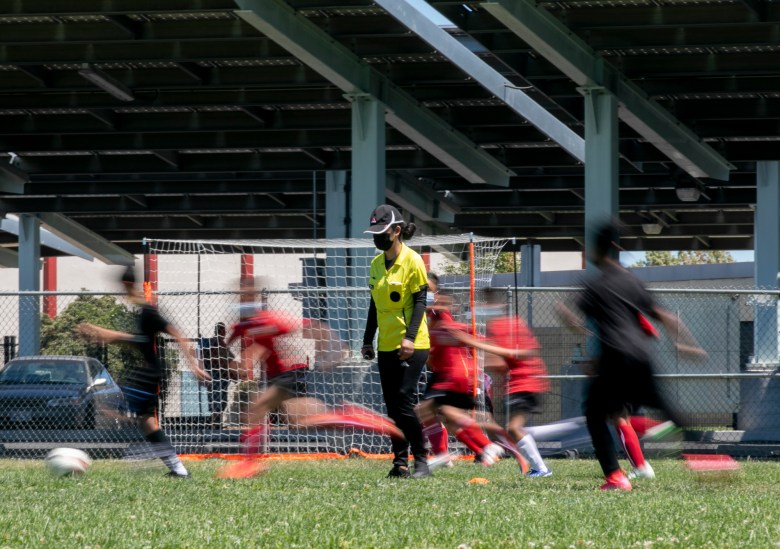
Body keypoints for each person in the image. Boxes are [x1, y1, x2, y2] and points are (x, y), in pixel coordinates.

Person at [557, 219, 706, 491]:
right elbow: (664, 316)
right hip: (641, 357)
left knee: (594, 414)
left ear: (594, 249)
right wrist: (686, 343)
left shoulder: (594, 286)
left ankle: (615, 477)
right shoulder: (632, 280)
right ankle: (709, 457)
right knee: (666, 409)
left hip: (615, 358)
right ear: (615, 246)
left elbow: (581, 323)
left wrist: (566, 315)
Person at [218, 287, 403, 479]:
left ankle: (249, 464)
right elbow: (231, 347)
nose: (242, 303)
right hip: (279, 377)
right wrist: (234, 359)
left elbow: (310, 326)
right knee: (300, 421)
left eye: (246, 297)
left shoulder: (269, 320)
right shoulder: (244, 326)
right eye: (240, 298)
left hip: (288, 375)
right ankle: (352, 416)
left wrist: (331, 349)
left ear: (256, 299)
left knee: (255, 409)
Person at [75, 264, 210, 479]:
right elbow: (140, 342)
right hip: (149, 371)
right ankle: (177, 469)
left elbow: (176, 334)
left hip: (152, 373)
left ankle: (143, 455)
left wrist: (194, 364)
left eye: (121, 286)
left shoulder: (148, 310)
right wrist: (105, 335)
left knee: (112, 407)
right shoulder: (141, 310)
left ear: (127, 284)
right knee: (146, 421)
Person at [361, 204, 431, 479]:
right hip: (386, 345)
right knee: (392, 406)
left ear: (396, 230)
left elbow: (420, 302)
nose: (377, 237)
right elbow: (374, 306)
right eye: (374, 232)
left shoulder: (413, 261)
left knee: (403, 399)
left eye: (381, 231)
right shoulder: (376, 264)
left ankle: (422, 460)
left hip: (413, 344)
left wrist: (410, 339)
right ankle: (400, 463)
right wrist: (368, 340)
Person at [453, 305, 553, 478]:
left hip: (527, 382)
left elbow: (513, 354)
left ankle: (541, 468)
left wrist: (473, 345)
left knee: (511, 427)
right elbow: (502, 361)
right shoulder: (504, 326)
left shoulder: (507, 325)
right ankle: (532, 463)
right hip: (518, 383)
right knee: (511, 428)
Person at [416, 278, 504, 470]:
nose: (425, 293)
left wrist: (492, 351)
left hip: (453, 375)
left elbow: (469, 334)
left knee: (433, 411)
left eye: (428, 289)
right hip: (445, 374)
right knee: (448, 418)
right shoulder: (432, 318)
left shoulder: (442, 316)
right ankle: (481, 449)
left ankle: (484, 447)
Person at [200, 322, 238, 427]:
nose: (224, 332)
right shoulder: (213, 343)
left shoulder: (223, 345)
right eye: (221, 330)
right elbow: (210, 356)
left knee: (223, 399)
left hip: (224, 376)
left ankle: (218, 421)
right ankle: (216, 423)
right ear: (217, 331)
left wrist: (231, 373)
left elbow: (228, 359)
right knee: (216, 398)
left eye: (224, 330)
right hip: (215, 375)